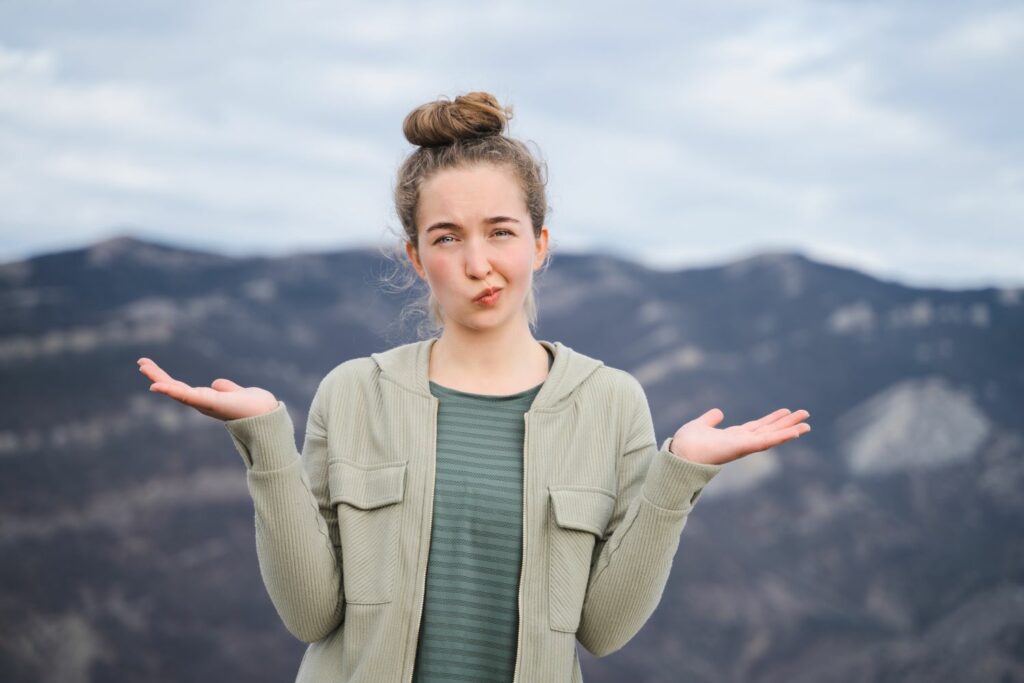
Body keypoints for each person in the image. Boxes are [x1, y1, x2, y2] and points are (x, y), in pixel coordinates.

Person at [137, 91, 811, 683]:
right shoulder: (352, 394)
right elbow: (311, 614)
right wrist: (265, 441)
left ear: (540, 243)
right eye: (447, 237)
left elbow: (603, 629)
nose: (478, 263)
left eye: (500, 232)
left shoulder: (610, 403)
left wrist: (679, 474)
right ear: (416, 257)